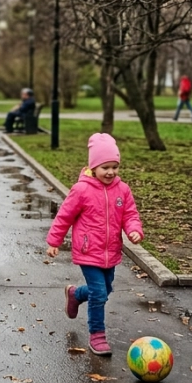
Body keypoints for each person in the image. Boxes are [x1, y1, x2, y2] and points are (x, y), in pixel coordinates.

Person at [46, 133, 144, 356]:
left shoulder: (123, 190)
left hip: (111, 252)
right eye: (105, 167)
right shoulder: (82, 190)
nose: (110, 172)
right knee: (99, 294)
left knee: (105, 289)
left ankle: (76, 294)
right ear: (93, 167)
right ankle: (97, 335)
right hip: (88, 251)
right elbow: (64, 216)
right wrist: (54, 241)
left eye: (114, 167)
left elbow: (130, 214)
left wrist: (134, 230)